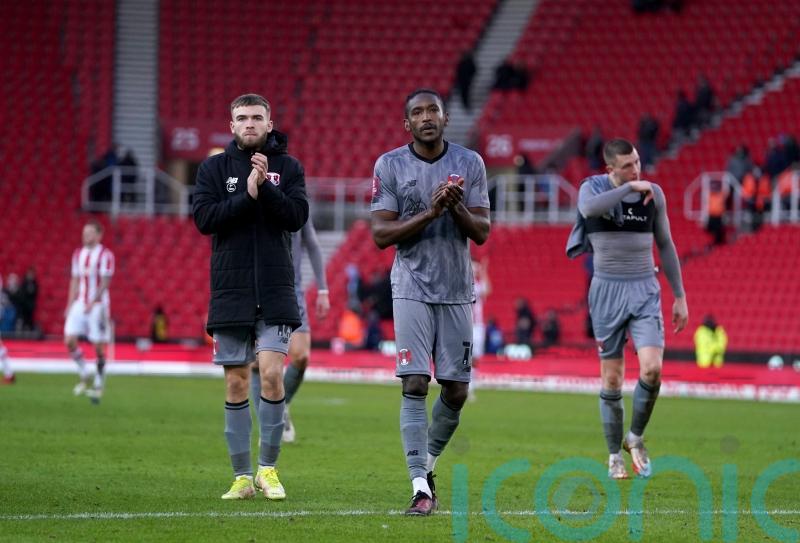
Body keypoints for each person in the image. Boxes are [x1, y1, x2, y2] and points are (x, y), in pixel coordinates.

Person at [370, 88, 490, 516]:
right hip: (410, 286)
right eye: (417, 112)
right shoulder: (390, 165)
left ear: (444, 118)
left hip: (456, 288)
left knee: (456, 390)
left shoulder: (470, 163)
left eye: (433, 111)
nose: (426, 117)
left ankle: (429, 465)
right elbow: (381, 235)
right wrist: (431, 212)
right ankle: (420, 486)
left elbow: (481, 231)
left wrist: (454, 209)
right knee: (416, 383)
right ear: (407, 124)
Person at [192, 93, 309, 501]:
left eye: (257, 117)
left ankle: (268, 470)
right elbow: (205, 219)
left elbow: (296, 217)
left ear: (269, 123)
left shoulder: (289, 167)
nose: (250, 124)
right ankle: (242, 477)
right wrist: (248, 194)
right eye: (242, 118)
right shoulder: (213, 168)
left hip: (276, 289)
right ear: (231, 126)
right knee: (237, 383)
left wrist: (267, 188)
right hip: (231, 291)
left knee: (273, 375)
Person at [568, 138, 688, 480]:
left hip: (644, 289)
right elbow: (589, 211)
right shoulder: (591, 188)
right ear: (611, 170)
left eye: (637, 162)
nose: (637, 170)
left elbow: (664, 243)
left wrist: (679, 295)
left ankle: (634, 437)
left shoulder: (654, 194)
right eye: (627, 166)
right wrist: (628, 188)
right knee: (613, 378)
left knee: (652, 370)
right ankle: (613, 455)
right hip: (606, 291)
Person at [249, 217, 330, 443]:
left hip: (291, 288)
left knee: (301, 356)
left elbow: (312, 243)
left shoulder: (294, 195)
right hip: (257, 286)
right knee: (257, 362)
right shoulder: (253, 193)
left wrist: (323, 289)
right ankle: (269, 425)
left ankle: (281, 405)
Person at [64, 221, 115, 403]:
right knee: (69, 340)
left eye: (90, 232)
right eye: (84, 232)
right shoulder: (78, 254)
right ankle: (84, 373)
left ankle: (99, 382)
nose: (86, 235)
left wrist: (93, 302)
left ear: (99, 235)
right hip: (80, 302)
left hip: (98, 305)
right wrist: (70, 304)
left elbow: (106, 282)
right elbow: (75, 280)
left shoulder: (105, 255)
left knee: (99, 347)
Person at [469, 258, 491, 401]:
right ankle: (459, 385)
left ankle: (470, 388)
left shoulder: (477, 285)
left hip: (478, 326)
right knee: (462, 357)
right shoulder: (462, 284)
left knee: (475, 357)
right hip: (463, 325)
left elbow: (488, 290)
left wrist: (483, 272)